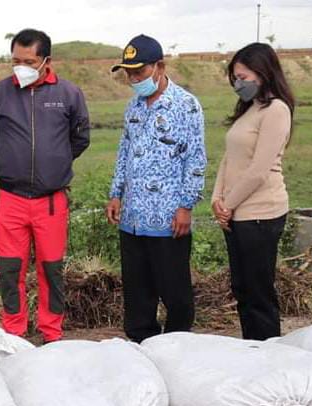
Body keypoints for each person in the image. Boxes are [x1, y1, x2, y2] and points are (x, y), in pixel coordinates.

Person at [0, 28, 90, 343]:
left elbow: (80, 138)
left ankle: (50, 333)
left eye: (28, 61)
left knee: (51, 270)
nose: (21, 67)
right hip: (11, 198)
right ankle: (14, 331)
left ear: (46, 61)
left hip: (51, 201)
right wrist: (7, 158)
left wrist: (54, 162)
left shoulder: (69, 94)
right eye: (15, 60)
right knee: (10, 270)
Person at [106, 34, 206, 343]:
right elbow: (125, 152)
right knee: (137, 289)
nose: (134, 79)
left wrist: (186, 205)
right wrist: (115, 193)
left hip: (168, 217)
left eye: (139, 72)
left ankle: (176, 344)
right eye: (129, 74)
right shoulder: (133, 108)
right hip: (133, 217)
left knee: (174, 289)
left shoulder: (186, 106)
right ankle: (141, 342)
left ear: (159, 66)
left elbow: (196, 159)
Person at [211, 43, 294, 341]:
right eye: (235, 77)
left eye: (243, 77)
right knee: (242, 289)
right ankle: (252, 349)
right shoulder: (250, 109)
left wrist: (229, 204)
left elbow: (259, 169)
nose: (238, 84)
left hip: (260, 213)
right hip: (236, 214)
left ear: (263, 73)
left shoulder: (276, 110)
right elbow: (229, 157)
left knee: (259, 292)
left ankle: (269, 353)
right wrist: (217, 199)